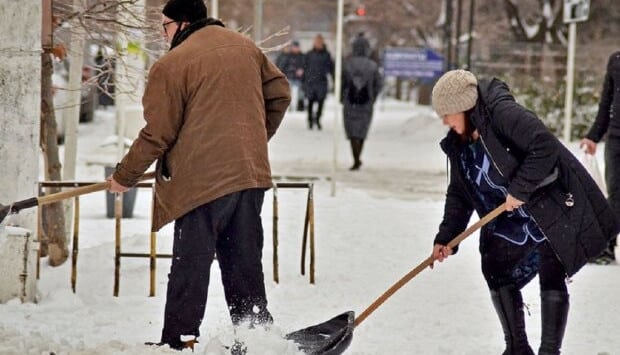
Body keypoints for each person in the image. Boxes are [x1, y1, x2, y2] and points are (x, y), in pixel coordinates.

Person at [107, 0, 291, 351]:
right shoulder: (246, 47)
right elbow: (279, 94)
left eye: (165, 26)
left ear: (183, 23)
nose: (163, 35)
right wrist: (250, 140)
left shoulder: (172, 65)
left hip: (201, 183)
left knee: (191, 263)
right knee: (243, 261)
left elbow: (157, 132)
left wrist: (124, 176)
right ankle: (255, 337)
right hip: (248, 175)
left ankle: (179, 340)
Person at [429, 69, 618, 355]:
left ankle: (549, 351)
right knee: (494, 266)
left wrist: (520, 188)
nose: (444, 121)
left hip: (546, 203)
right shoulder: (460, 143)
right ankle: (517, 348)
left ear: (464, 107)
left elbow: (544, 146)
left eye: (447, 114)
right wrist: (446, 237)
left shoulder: (502, 113)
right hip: (507, 216)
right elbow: (460, 193)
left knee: (550, 265)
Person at [580, 51, 620, 265]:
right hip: (616, 139)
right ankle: (607, 247)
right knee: (615, 194)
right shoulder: (615, 60)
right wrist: (593, 136)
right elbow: (606, 103)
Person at [342, 33, 382, 171]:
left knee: (352, 131)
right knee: (362, 131)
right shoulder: (373, 66)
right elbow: (378, 84)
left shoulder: (347, 64)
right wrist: (373, 97)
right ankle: (358, 157)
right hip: (366, 103)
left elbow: (341, 82)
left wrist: (343, 97)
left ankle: (355, 157)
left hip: (350, 102)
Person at [303, 34, 334, 130]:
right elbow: (304, 67)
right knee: (310, 102)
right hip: (310, 81)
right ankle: (310, 120)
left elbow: (331, 68)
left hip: (321, 82)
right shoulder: (309, 54)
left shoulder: (326, 55)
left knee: (321, 102)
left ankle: (318, 119)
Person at [275, 40, 305, 112]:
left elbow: (305, 66)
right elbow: (284, 66)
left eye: (296, 47)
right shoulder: (288, 56)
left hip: (299, 79)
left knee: (300, 94)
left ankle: (299, 107)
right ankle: (290, 107)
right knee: (289, 94)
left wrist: (302, 70)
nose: (295, 49)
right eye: (294, 47)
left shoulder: (302, 56)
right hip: (290, 77)